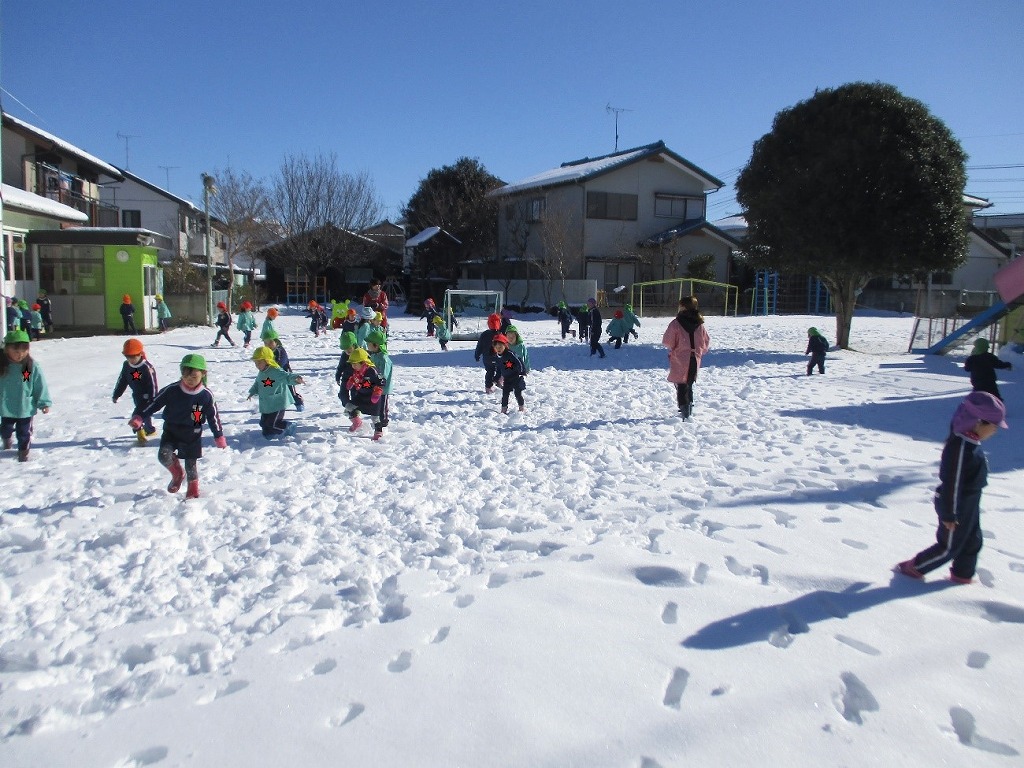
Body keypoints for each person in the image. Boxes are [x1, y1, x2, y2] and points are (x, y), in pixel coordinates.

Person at [896, 391, 1008, 584]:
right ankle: (915, 567)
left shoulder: (971, 442)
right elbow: (952, 482)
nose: (995, 431)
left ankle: (963, 575)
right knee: (949, 546)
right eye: (994, 426)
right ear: (978, 422)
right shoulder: (961, 447)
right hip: (955, 504)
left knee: (973, 541)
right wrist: (949, 513)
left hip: (970, 502)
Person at [130, 353, 226, 499]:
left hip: (192, 433)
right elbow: (154, 403)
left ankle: (193, 489)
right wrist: (139, 417)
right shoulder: (172, 390)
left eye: (194, 376)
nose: (189, 380)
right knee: (164, 456)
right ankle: (177, 474)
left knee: (190, 464)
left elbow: (213, 416)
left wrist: (218, 435)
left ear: (203, 374)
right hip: (171, 431)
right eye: (186, 376)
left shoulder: (205, 395)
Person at [0, 329, 51, 462]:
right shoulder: (2, 367)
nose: (20, 354)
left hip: (24, 408)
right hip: (6, 407)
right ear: (6, 350)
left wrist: (44, 402)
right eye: (16, 351)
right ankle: (6, 439)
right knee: (5, 429)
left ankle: (23, 451)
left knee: (24, 433)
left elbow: (38, 385)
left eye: (24, 350)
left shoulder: (28, 367)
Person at [662, 296, 710, 418]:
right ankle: (689, 405)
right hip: (695, 357)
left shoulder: (676, 323)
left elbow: (668, 341)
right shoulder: (700, 324)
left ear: (683, 307)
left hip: (680, 357)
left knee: (681, 383)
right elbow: (705, 342)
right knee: (689, 382)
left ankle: (684, 409)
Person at [248, 346, 303, 438]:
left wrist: (296, 379)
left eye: (259, 362)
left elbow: (287, 376)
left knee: (272, 424)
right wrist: (252, 392)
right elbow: (257, 383)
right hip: (267, 403)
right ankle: (269, 433)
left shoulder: (275, 371)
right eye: (255, 362)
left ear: (267, 361)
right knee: (263, 423)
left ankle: (288, 426)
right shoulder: (261, 372)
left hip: (278, 402)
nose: (257, 365)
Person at [113, 338, 159, 443]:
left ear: (140, 354)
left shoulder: (147, 368)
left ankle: (139, 431)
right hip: (137, 395)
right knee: (145, 414)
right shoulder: (126, 366)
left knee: (137, 414)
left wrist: (154, 399)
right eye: (128, 356)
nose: (131, 359)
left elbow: (153, 384)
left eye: (134, 356)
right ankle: (149, 430)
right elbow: (122, 380)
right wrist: (117, 394)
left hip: (148, 397)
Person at [341, 348, 385, 440]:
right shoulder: (357, 371)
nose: (353, 366)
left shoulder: (372, 370)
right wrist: (351, 381)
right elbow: (354, 378)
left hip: (372, 396)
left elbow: (381, 380)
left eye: (355, 364)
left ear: (363, 362)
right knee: (349, 407)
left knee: (375, 417)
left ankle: (378, 431)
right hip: (361, 395)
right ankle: (357, 422)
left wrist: (378, 390)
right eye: (352, 364)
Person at [262, 328, 304, 412]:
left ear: (276, 341)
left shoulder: (280, 350)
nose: (268, 345)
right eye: (265, 343)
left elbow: (280, 362)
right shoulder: (267, 351)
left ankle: (299, 402)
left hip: (285, 375)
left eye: (270, 342)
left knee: (291, 392)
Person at [366, 330, 393, 440]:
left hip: (383, 388)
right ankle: (378, 423)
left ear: (376, 345)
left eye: (369, 344)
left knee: (382, 406)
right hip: (374, 386)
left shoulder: (383, 359)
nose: (367, 346)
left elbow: (383, 375)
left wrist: (377, 382)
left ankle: (383, 423)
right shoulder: (373, 355)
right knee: (375, 406)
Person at [491, 333, 526, 414]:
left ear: (505, 345)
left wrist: (521, 372)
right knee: (505, 394)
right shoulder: (497, 357)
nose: (498, 349)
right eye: (496, 347)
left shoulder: (510, 354)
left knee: (517, 393)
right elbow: (499, 369)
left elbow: (519, 361)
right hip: (507, 378)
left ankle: (521, 407)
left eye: (500, 347)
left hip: (516, 377)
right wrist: (496, 378)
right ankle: (504, 409)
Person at [474, 313, 504, 393]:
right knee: (501, 368)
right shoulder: (500, 335)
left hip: (487, 358)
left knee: (490, 371)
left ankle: (488, 386)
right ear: (499, 323)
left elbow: (479, 346)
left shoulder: (484, 334)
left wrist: (477, 355)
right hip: (497, 357)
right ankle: (497, 380)